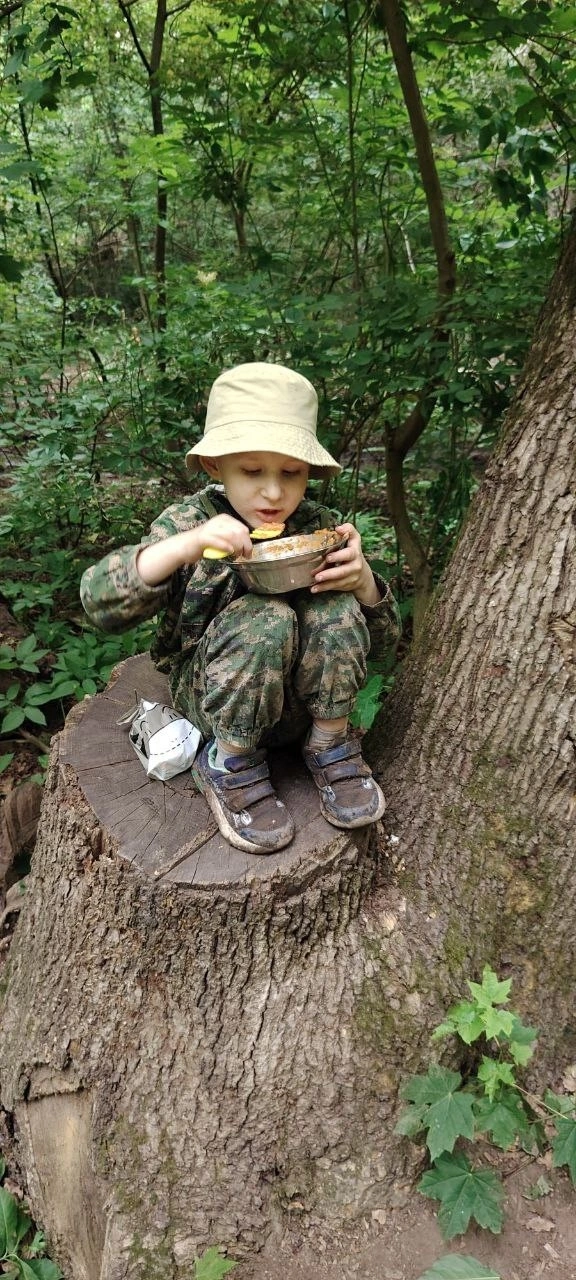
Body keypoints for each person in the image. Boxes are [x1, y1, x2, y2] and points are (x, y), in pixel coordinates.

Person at [81, 362, 401, 854]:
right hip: (212, 698)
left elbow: (382, 649)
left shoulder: (318, 526)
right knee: (266, 617)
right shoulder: (190, 523)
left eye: (291, 473)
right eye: (252, 471)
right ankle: (228, 761)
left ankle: (331, 743)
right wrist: (187, 546)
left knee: (333, 605)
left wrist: (363, 584)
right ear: (216, 466)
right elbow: (100, 604)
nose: (273, 492)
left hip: (306, 703)